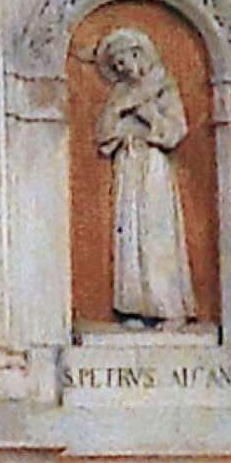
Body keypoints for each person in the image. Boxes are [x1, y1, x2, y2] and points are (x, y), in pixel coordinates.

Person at [92, 25, 196, 327]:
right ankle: (135, 307)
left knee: (157, 234)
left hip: (153, 166)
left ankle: (169, 309)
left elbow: (175, 130)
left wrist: (147, 116)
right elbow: (104, 135)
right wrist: (118, 115)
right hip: (128, 165)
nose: (122, 68)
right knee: (130, 235)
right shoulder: (119, 93)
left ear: (138, 55)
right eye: (116, 65)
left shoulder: (162, 85)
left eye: (124, 60)